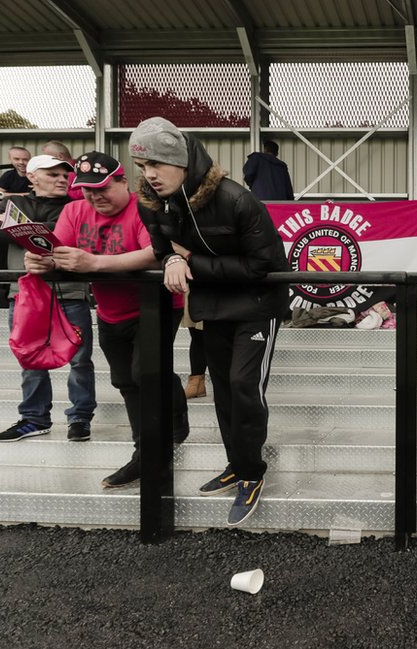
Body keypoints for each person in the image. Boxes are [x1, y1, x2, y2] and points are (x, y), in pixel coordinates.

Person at [129, 116, 289, 527]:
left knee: (243, 385)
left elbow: (264, 265)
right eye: (143, 166)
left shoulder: (236, 199)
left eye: (157, 165)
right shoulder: (153, 204)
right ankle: (237, 463)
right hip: (213, 308)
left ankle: (253, 472)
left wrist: (191, 262)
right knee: (222, 392)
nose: (149, 175)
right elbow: (163, 248)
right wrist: (168, 259)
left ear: (183, 163)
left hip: (256, 304)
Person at [24, 152, 189, 488]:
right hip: (110, 310)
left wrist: (95, 264)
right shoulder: (73, 210)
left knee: (144, 373)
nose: (94, 197)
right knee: (125, 380)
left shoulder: (143, 206)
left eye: (102, 188)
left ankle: (146, 456)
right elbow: (63, 253)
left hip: (155, 305)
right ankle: (165, 425)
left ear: (122, 181)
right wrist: (42, 260)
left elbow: (157, 253)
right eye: (87, 191)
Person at [0, 154, 96, 442]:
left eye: (64, 175)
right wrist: (41, 231)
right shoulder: (14, 202)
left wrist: (21, 227)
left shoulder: (75, 206)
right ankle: (34, 418)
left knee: (80, 360)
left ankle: (80, 418)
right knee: (30, 357)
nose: (61, 179)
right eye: (53, 174)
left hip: (70, 290)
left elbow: (62, 234)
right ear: (32, 177)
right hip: (25, 294)